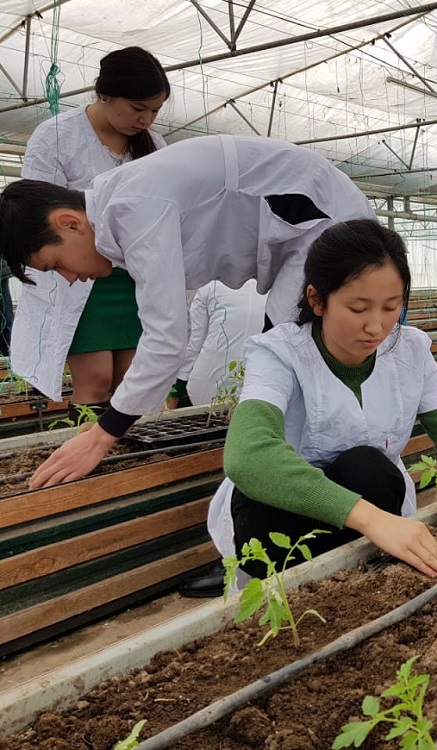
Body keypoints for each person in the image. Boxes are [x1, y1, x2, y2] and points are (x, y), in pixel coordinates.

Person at [0, 134, 374, 489]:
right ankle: (320, 472)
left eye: (55, 264)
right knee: (286, 356)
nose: (68, 278)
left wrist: (103, 435)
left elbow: (167, 337)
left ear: (69, 223)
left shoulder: (132, 206)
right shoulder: (122, 206)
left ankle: (325, 479)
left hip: (326, 220)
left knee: (284, 356)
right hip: (305, 229)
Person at [206, 219, 437, 585]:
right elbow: (248, 456)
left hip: (374, 508)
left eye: (391, 307)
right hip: (279, 523)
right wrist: (371, 519)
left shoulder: (410, 351)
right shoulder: (279, 353)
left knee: (368, 467)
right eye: (358, 308)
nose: (376, 326)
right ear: (317, 300)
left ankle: (365, 581)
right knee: (282, 489)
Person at [12, 47, 170, 423]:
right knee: (96, 380)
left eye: (155, 111)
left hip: (134, 278)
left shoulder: (155, 146)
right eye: (138, 108)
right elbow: (39, 213)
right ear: (104, 94)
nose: (146, 119)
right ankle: (87, 449)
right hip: (81, 278)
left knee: (134, 380)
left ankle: (133, 450)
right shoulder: (57, 136)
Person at [174, 280, 268, 406]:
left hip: (205, 394)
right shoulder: (276, 290)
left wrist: (174, 393)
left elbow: (192, 348)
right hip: (258, 394)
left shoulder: (210, 287)